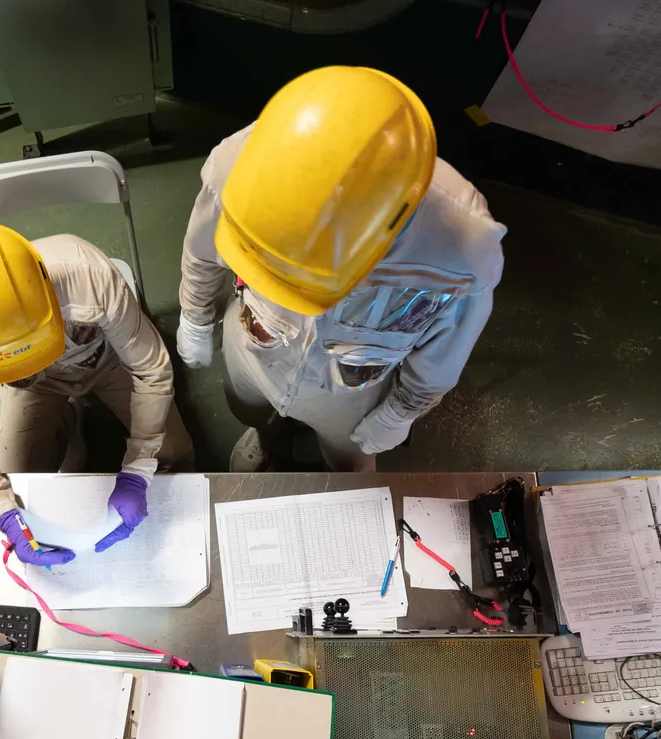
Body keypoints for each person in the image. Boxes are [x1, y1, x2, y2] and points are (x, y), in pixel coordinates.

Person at [176, 66, 505, 471]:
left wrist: (401, 411)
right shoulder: (239, 164)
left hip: (352, 389)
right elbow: (203, 249)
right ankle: (265, 435)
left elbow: (448, 347)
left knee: (348, 460)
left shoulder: (462, 250)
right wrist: (194, 313)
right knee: (251, 410)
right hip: (255, 344)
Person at [0, 224, 192, 565]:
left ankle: (68, 423)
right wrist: (1, 507)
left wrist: (139, 467)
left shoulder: (88, 276)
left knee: (175, 457)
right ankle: (66, 424)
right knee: (15, 479)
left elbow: (150, 368)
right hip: (35, 387)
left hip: (109, 361)